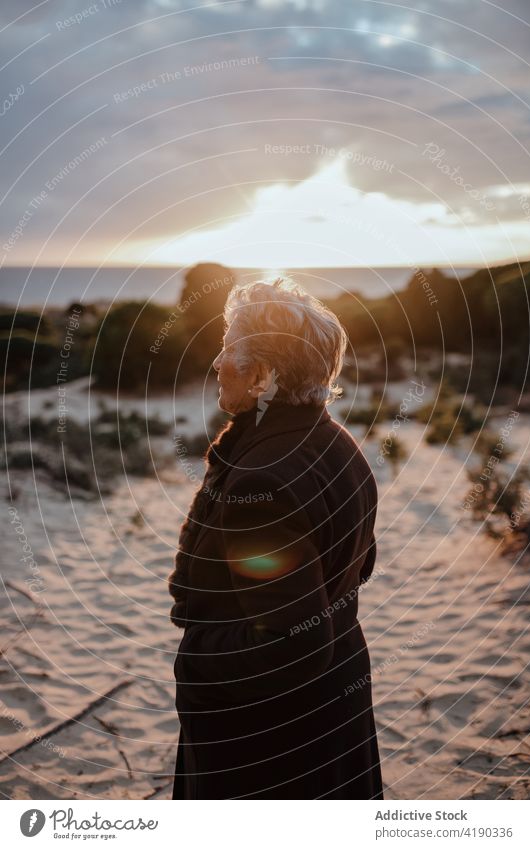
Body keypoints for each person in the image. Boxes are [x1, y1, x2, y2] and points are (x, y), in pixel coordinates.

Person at [168, 277, 383, 799]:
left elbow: (295, 642)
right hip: (336, 708)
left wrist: (196, 661)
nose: (216, 365)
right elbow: (359, 562)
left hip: (269, 743)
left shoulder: (260, 484)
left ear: (262, 375)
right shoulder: (337, 443)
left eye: (228, 353)